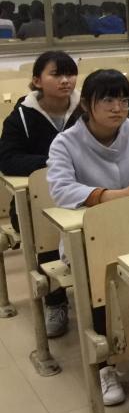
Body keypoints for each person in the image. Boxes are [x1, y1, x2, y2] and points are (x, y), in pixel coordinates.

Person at [49, 69, 129, 405]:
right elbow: (61, 190)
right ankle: (106, 365)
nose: (117, 108)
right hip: (89, 235)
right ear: (86, 105)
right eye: (107, 100)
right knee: (102, 281)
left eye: (124, 100)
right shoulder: (66, 142)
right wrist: (112, 196)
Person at [0, 51, 79, 337]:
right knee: (46, 229)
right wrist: (56, 160)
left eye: (70, 74)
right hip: (35, 203)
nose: (65, 80)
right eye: (56, 74)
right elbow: (8, 160)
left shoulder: (86, 109)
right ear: (37, 81)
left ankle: (94, 296)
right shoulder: (21, 117)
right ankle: (55, 301)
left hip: (80, 195)